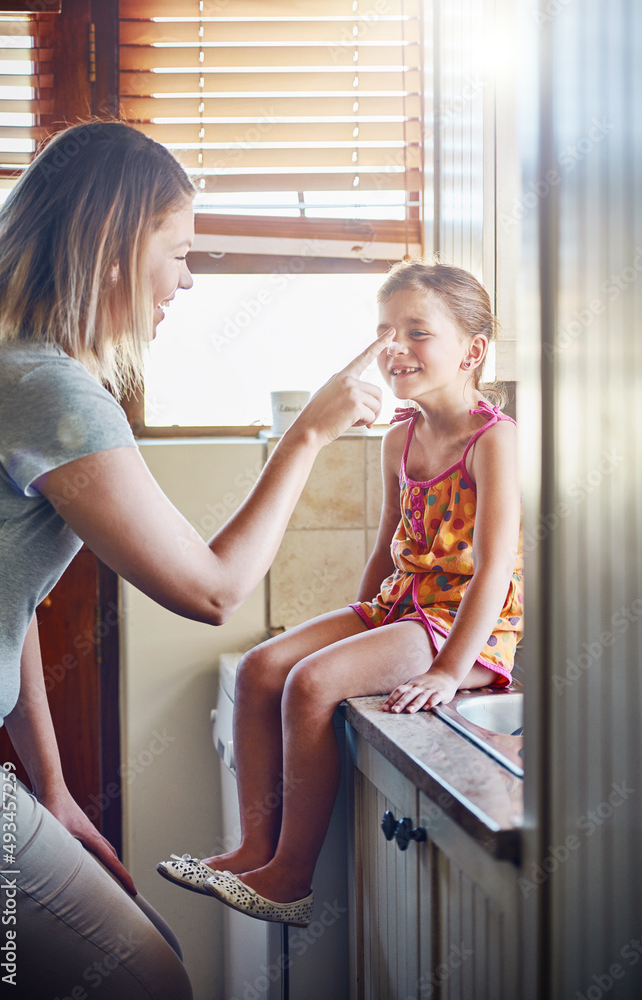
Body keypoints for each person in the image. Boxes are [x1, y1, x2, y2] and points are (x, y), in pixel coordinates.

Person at [0, 120, 391, 998]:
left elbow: (0, 603)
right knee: (144, 980)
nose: (187, 277)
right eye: (178, 250)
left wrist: (49, 788)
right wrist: (309, 431)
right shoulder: (49, 392)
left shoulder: (5, 365)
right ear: (112, 247)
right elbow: (212, 592)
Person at [158, 260, 524, 928]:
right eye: (386, 330)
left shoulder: (492, 439)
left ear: (472, 350)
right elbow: (388, 546)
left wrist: (447, 670)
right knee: (264, 666)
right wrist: (360, 620)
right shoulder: (398, 438)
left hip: (460, 628)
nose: (394, 347)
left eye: (416, 331)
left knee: (310, 682)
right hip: (401, 610)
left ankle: (290, 878)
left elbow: (493, 568)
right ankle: (252, 848)